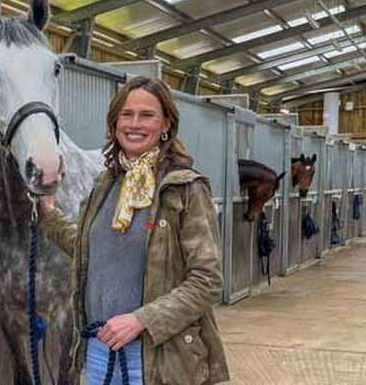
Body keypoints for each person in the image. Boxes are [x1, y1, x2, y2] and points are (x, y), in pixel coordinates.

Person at [39, 77, 229, 385]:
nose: (134, 124)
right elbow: (90, 250)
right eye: (126, 114)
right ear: (115, 123)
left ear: (166, 123)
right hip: (100, 350)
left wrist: (142, 319)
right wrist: (48, 215)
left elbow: (207, 281)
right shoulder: (106, 185)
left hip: (159, 358)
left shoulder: (184, 188)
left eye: (147, 115)